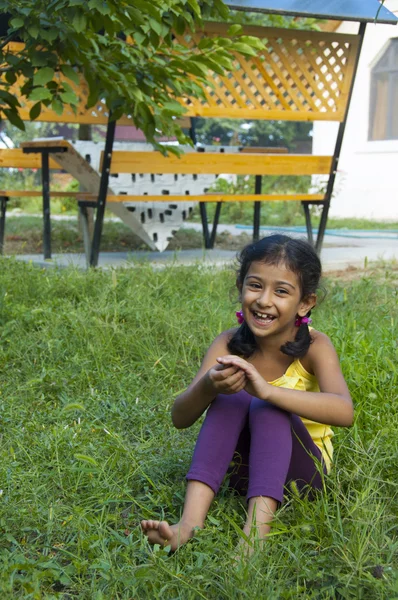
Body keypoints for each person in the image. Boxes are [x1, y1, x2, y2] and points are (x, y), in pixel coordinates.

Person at [141, 234, 353, 554]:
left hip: (302, 479)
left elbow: (344, 411)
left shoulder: (315, 346)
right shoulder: (227, 343)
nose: (264, 300)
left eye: (281, 291)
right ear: (241, 286)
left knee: (267, 406)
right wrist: (209, 386)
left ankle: (254, 537)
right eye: (255, 285)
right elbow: (179, 417)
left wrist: (268, 392)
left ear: (306, 303)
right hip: (244, 474)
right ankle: (188, 525)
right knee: (232, 394)